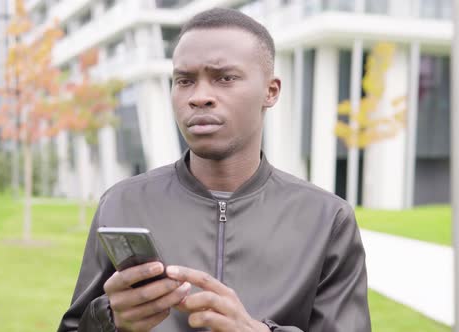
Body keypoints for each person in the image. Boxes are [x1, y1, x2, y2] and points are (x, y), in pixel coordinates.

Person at [58, 7, 370, 332]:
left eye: (225, 78)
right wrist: (109, 321)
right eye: (184, 80)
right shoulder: (123, 203)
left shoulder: (327, 220)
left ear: (271, 91)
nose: (199, 97)